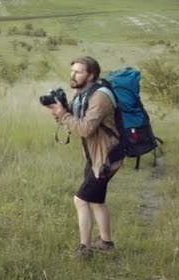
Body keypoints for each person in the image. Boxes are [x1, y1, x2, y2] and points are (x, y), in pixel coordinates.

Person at [45, 56, 122, 258]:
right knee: (96, 200)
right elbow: (76, 120)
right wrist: (61, 110)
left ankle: (84, 249)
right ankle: (106, 242)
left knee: (80, 200)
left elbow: (86, 128)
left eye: (78, 72)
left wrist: (63, 115)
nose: (73, 75)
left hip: (105, 158)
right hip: (95, 156)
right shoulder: (82, 94)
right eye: (72, 71)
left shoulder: (100, 97)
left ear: (91, 75)